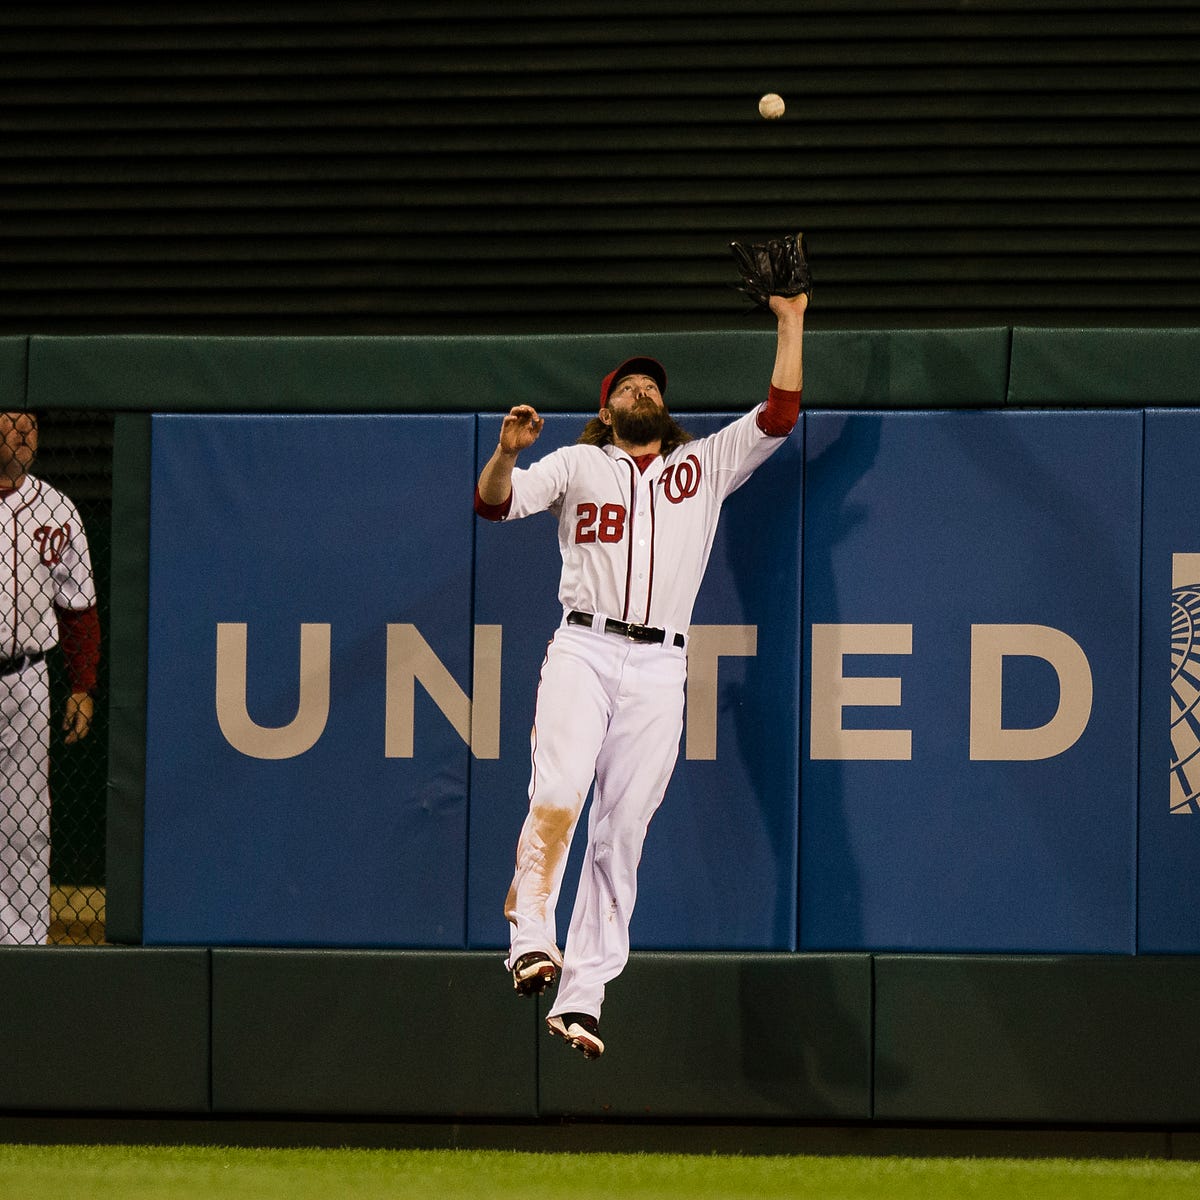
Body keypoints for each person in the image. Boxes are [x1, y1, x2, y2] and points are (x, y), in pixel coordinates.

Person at [474, 291, 807, 1059]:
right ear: (607, 411)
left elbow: (781, 413)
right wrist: (507, 454)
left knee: (621, 832)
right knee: (557, 796)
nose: (643, 392)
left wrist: (790, 320)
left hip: (662, 665)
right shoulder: (578, 462)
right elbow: (496, 506)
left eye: (652, 387)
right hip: (583, 649)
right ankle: (531, 942)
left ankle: (581, 998)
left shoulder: (702, 465)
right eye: (628, 388)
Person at [0, 411, 100, 945]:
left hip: (29, 678)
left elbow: (79, 610)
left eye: (32, 425)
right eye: (11, 422)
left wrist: (81, 686)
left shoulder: (57, 508)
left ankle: (22, 941)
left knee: (26, 815)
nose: (23, 433)